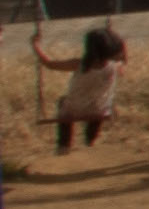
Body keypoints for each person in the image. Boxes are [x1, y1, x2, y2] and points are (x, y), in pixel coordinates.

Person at [35, 23, 128, 152]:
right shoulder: (115, 67)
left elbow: (49, 64)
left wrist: (36, 46)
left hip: (74, 108)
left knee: (63, 103)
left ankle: (64, 145)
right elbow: (124, 61)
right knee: (99, 108)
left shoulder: (78, 65)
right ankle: (90, 138)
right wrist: (123, 44)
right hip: (99, 110)